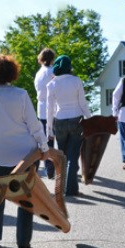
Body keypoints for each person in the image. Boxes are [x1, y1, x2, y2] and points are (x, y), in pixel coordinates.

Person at [0, 55, 49, 248]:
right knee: (26, 195)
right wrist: (44, 146)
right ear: (12, 73)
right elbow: (34, 125)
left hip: (0, 153)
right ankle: (23, 242)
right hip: (26, 153)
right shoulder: (21, 94)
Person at [46, 55, 91, 196]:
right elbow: (83, 103)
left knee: (63, 156)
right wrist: (89, 119)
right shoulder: (76, 81)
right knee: (72, 156)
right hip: (75, 120)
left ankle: (61, 187)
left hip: (59, 122)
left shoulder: (51, 84)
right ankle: (71, 189)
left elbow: (50, 109)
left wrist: (49, 129)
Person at [34, 47, 56, 179]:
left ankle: (49, 169)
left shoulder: (38, 73)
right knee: (60, 139)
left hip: (41, 109)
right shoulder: (53, 72)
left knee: (46, 141)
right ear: (52, 58)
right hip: (54, 108)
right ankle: (61, 167)